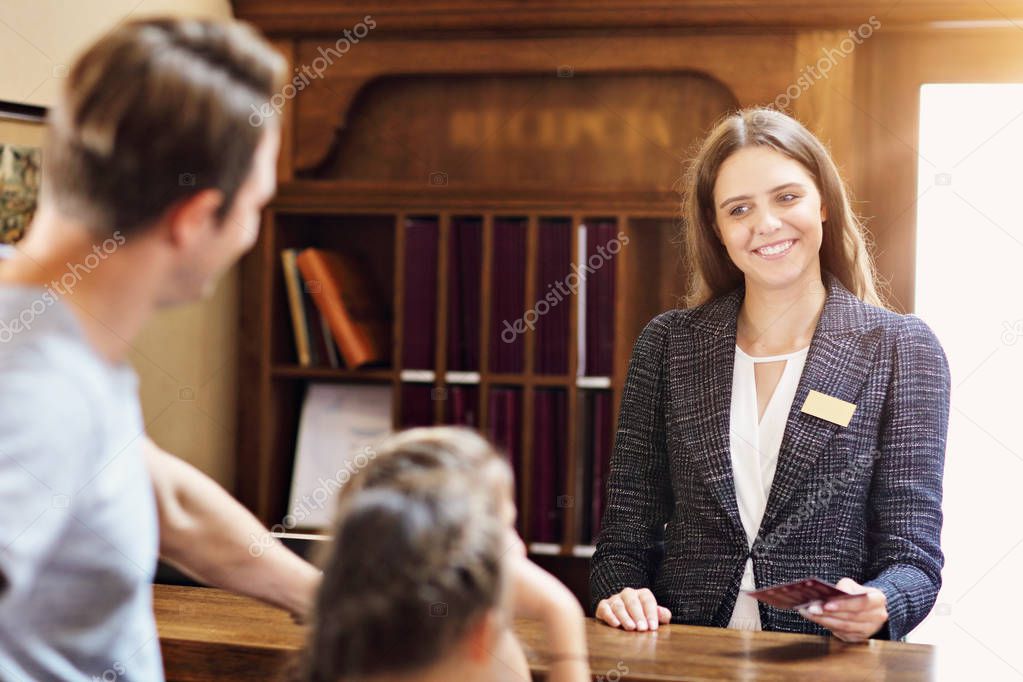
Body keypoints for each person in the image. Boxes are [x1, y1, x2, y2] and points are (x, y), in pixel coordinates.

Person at [0, 18, 320, 681]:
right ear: (196, 218)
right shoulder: (37, 388)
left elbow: (159, 495)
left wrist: (324, 598)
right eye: (257, 204)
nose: (253, 229)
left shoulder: (48, 327)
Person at [590, 107, 950, 643]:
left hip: (823, 665)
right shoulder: (668, 345)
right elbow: (622, 540)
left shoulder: (901, 349)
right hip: (681, 659)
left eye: (787, 197)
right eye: (740, 209)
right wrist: (621, 591)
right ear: (717, 228)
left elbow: (913, 558)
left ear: (823, 201)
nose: (766, 225)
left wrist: (881, 603)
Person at [303, 427, 589, 682]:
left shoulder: (342, 650)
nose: (520, 548)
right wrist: (561, 612)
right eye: (505, 528)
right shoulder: (488, 645)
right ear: (478, 634)